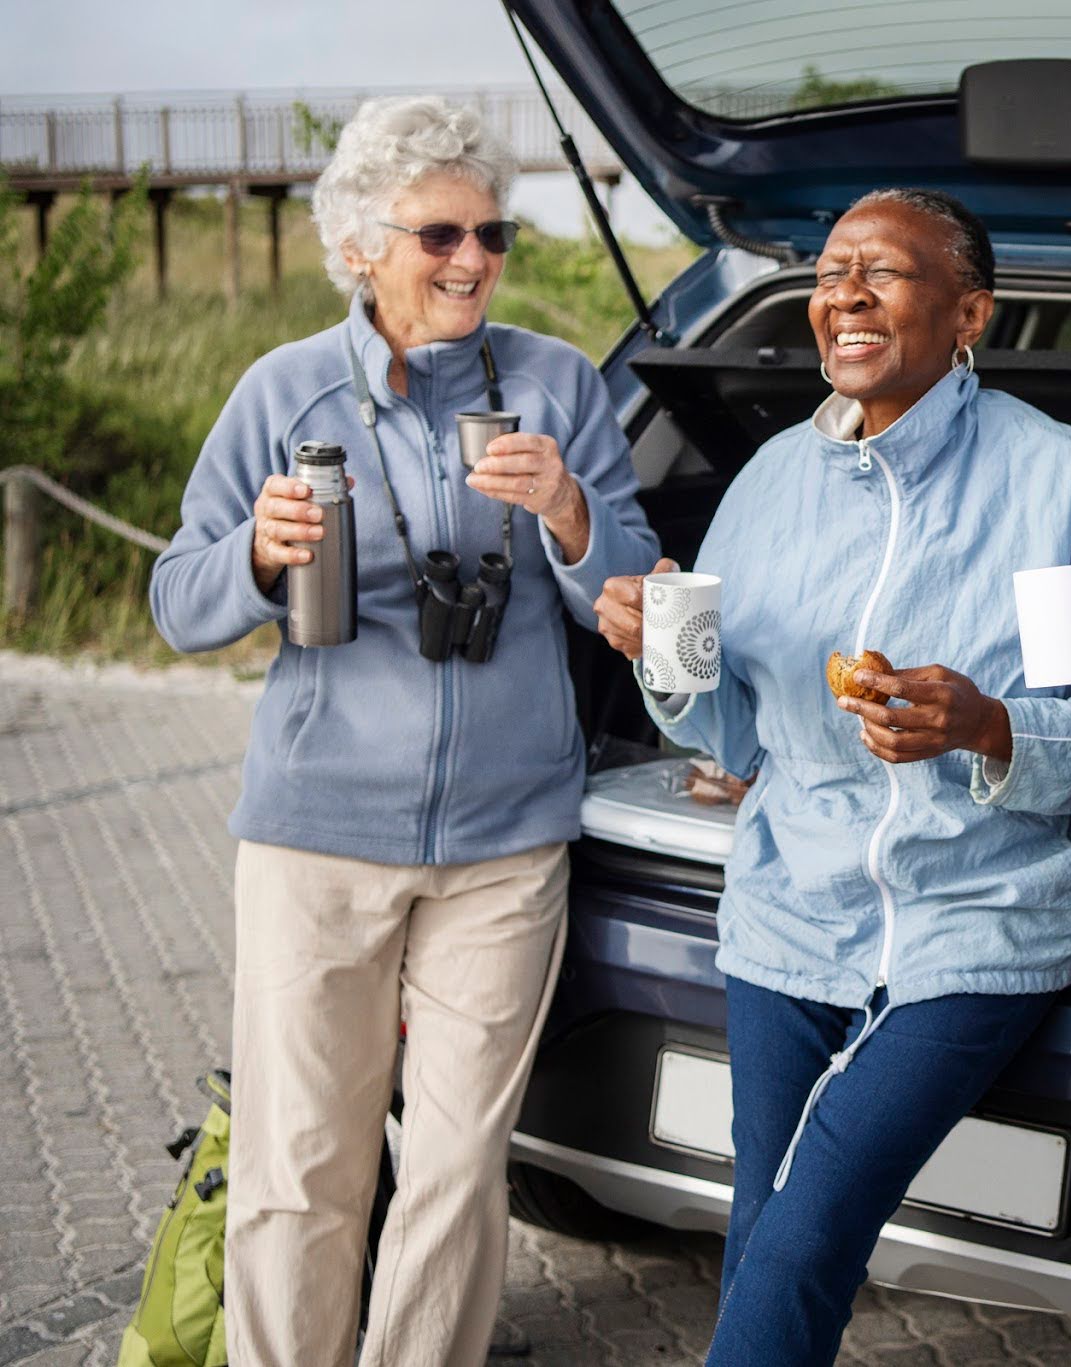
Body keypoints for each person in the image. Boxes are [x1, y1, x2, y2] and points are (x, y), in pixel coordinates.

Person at [148, 95, 659, 1366]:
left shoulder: (554, 382)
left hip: (505, 841)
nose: (472, 259)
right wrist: (259, 561)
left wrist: (571, 513)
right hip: (318, 836)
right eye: (437, 235)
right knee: (298, 1166)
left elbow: (631, 601)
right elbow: (175, 600)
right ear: (361, 246)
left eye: (489, 232)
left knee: (453, 1169)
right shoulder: (282, 389)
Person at [596, 188, 1071, 1364]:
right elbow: (728, 739)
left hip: (979, 919)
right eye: (832, 272)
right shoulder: (770, 482)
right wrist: (660, 656)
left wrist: (985, 727)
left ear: (969, 311)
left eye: (885, 271)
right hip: (789, 911)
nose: (846, 294)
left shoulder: (1060, 482)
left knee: (803, 1225)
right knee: (765, 1233)